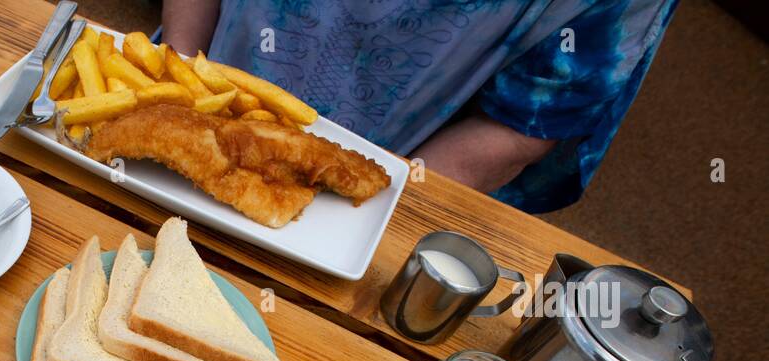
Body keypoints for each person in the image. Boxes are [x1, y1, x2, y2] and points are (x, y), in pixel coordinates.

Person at [160, 0, 677, 212]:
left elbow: (523, 122)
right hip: (198, 74)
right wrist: (178, 71)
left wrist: (368, 217)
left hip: (393, 160)